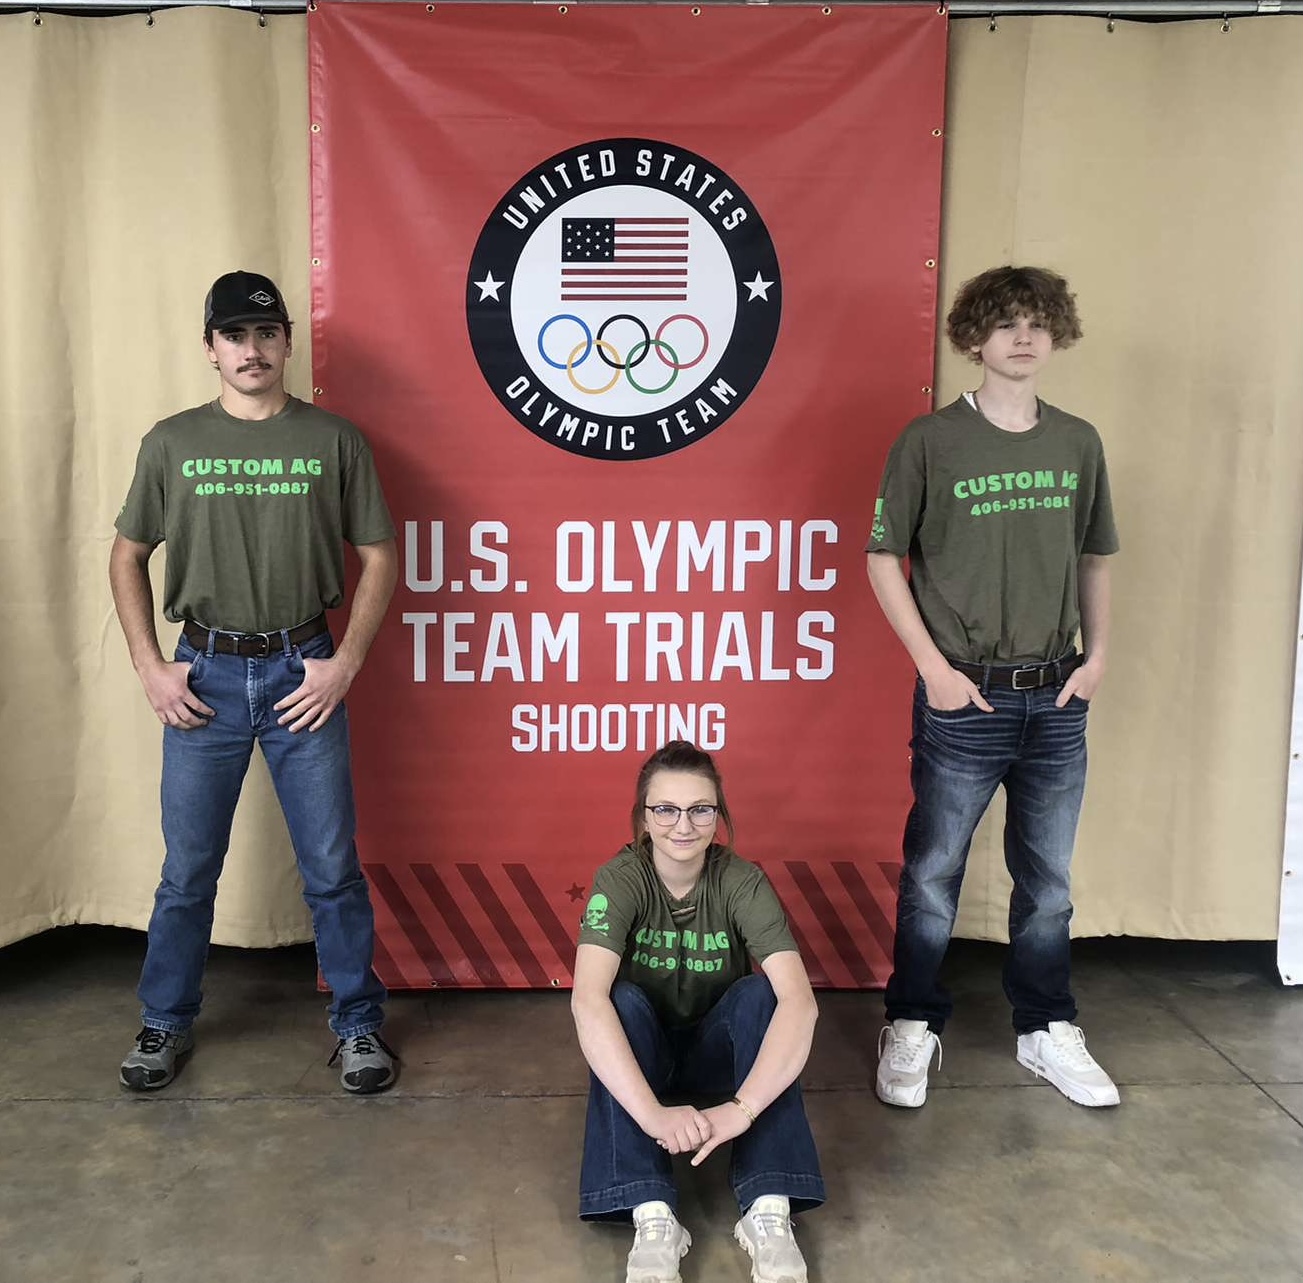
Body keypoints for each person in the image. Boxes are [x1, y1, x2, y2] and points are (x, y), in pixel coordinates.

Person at [109, 270, 399, 1095]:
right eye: (234, 336)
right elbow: (127, 553)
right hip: (202, 675)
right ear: (210, 349)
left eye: (266, 334)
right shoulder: (171, 442)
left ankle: (357, 1026)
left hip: (300, 669)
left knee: (331, 866)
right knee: (188, 869)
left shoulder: (334, 440)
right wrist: (150, 666)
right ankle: (165, 1021)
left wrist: (344, 662)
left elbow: (379, 552)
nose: (251, 349)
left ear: (286, 344)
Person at [866, 265, 1120, 1110]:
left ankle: (1045, 1027)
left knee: (1047, 880)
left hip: (1055, 696)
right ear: (973, 338)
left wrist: (1097, 657)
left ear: (1056, 335)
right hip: (963, 696)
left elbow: (1095, 555)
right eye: (1004, 322)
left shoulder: (1077, 442)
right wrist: (932, 670)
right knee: (933, 872)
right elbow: (881, 557)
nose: (1022, 335)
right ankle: (910, 1023)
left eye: (1037, 322)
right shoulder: (929, 441)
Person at [571, 740, 824, 1283]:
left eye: (700, 809)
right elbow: (585, 1000)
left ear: (719, 815)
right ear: (643, 817)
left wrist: (744, 1109)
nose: (683, 825)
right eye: (665, 809)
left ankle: (769, 1210)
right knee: (617, 999)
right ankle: (653, 1215)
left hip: (716, 1052)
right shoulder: (621, 880)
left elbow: (801, 1002)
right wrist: (651, 1114)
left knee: (763, 996)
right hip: (649, 1056)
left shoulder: (741, 881)